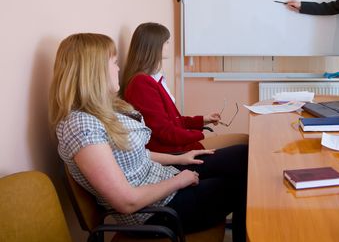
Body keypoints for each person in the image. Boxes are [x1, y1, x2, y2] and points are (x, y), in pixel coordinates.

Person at [49, 33, 247, 241]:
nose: (118, 69)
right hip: (154, 212)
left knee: (242, 156)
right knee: (244, 186)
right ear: (94, 72)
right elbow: (127, 202)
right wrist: (179, 181)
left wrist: (180, 158)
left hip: (162, 178)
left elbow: (137, 154)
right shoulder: (81, 126)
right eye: (114, 62)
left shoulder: (102, 109)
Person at [121, 22, 248, 153]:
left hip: (180, 146)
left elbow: (173, 121)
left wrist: (203, 120)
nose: (169, 45)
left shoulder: (152, 79)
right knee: (243, 150)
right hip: (176, 153)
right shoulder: (141, 84)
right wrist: (202, 135)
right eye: (166, 42)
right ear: (153, 46)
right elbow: (165, 132)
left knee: (245, 140)